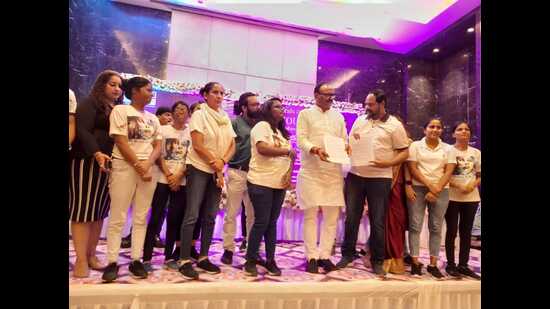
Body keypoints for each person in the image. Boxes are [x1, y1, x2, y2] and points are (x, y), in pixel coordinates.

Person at [337, 89, 409, 276]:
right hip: (355, 175)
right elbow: (351, 142)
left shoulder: (394, 125)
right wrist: (347, 147)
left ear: (382, 103)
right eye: (366, 104)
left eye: (370, 104)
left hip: (379, 178)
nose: (366, 107)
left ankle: (377, 260)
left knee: (377, 221)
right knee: (352, 217)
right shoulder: (361, 120)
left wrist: (388, 163)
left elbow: (404, 152)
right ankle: (347, 254)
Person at [102, 76, 162, 282]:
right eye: (147, 89)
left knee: (141, 216)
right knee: (118, 216)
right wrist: (138, 165)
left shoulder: (153, 118)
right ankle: (112, 262)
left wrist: (147, 165)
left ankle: (136, 259)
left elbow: (158, 146)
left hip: (147, 171)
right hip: (125, 167)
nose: (151, 92)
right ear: (135, 91)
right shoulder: (121, 111)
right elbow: (121, 140)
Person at [177, 82, 236, 280]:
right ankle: (184, 259)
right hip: (200, 168)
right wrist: (215, 163)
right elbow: (198, 145)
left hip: (218, 170)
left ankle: (203, 257)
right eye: (215, 92)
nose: (219, 96)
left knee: (211, 215)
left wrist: (223, 162)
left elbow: (232, 144)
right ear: (205, 95)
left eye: (222, 93)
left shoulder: (225, 117)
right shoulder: (200, 114)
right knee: (192, 214)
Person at [69, 70, 123, 278]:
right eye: (112, 84)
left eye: (119, 85)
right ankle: (81, 260)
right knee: (83, 212)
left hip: (107, 166)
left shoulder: (117, 109)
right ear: (101, 85)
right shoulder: (88, 103)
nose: (117, 89)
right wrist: (97, 152)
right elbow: (82, 131)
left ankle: (91, 255)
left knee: (99, 212)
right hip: (86, 161)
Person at [296, 83, 349, 274]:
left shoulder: (338, 116)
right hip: (311, 171)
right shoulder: (305, 114)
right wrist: (315, 149)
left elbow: (344, 139)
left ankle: (325, 256)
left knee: (331, 217)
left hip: (333, 172)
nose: (330, 99)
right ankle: (311, 256)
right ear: (316, 95)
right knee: (310, 215)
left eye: (333, 95)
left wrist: (347, 147)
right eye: (327, 95)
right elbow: (301, 139)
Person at [244, 98, 296, 277]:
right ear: (267, 110)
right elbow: (262, 148)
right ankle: (250, 260)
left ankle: (270, 260)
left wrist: (288, 176)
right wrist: (286, 151)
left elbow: (291, 157)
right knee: (262, 221)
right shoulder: (261, 126)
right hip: (261, 181)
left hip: (278, 184)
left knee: (272, 223)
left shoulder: (281, 133)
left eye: (282, 107)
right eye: (277, 106)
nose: (282, 109)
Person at [142, 101, 192, 272]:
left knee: (174, 220)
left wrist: (179, 176)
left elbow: (190, 158)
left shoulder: (191, 133)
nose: (180, 111)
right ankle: (146, 258)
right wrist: (169, 175)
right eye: (177, 109)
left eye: (183, 109)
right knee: (155, 218)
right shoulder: (163, 130)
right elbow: (158, 155)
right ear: (172, 112)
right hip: (162, 179)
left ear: (188, 114)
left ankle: (169, 257)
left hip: (181, 182)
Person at [406, 117, 456, 279]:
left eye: (438, 127)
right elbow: (413, 168)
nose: (435, 129)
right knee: (415, 225)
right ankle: (415, 262)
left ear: (441, 130)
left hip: (441, 189)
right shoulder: (415, 145)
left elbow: (449, 171)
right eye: (431, 126)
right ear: (424, 129)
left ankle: (433, 264)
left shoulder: (448, 148)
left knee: (436, 227)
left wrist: (436, 190)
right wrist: (429, 185)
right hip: (418, 188)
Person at [121, 106, 172, 249]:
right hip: (144, 171)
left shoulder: (170, 133)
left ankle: (154, 235)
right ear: (158, 116)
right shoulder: (148, 130)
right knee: (141, 208)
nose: (169, 118)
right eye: (167, 115)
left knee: (160, 208)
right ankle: (132, 236)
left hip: (162, 175)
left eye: (170, 116)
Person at [220, 92, 261, 265]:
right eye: (253, 105)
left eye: (258, 104)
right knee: (231, 213)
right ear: (244, 107)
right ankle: (228, 249)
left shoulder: (261, 125)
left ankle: (251, 249)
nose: (257, 107)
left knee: (253, 215)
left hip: (256, 174)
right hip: (236, 172)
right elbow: (228, 145)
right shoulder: (235, 123)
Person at [444, 122, 481, 280]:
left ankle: (463, 265)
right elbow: (443, 174)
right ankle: (450, 265)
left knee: (466, 233)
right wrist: (458, 184)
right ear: (454, 134)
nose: (464, 131)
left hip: (471, 197)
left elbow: (479, 174)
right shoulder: (447, 151)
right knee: (452, 230)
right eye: (459, 129)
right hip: (452, 196)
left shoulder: (476, 152)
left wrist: (472, 185)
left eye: (466, 129)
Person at [383, 115, 414, 274]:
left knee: (397, 222)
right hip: (382, 184)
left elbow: (409, 167)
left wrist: (408, 184)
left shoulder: (407, 143)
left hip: (399, 186)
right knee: (383, 221)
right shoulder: (383, 142)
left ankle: (396, 257)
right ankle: (384, 257)